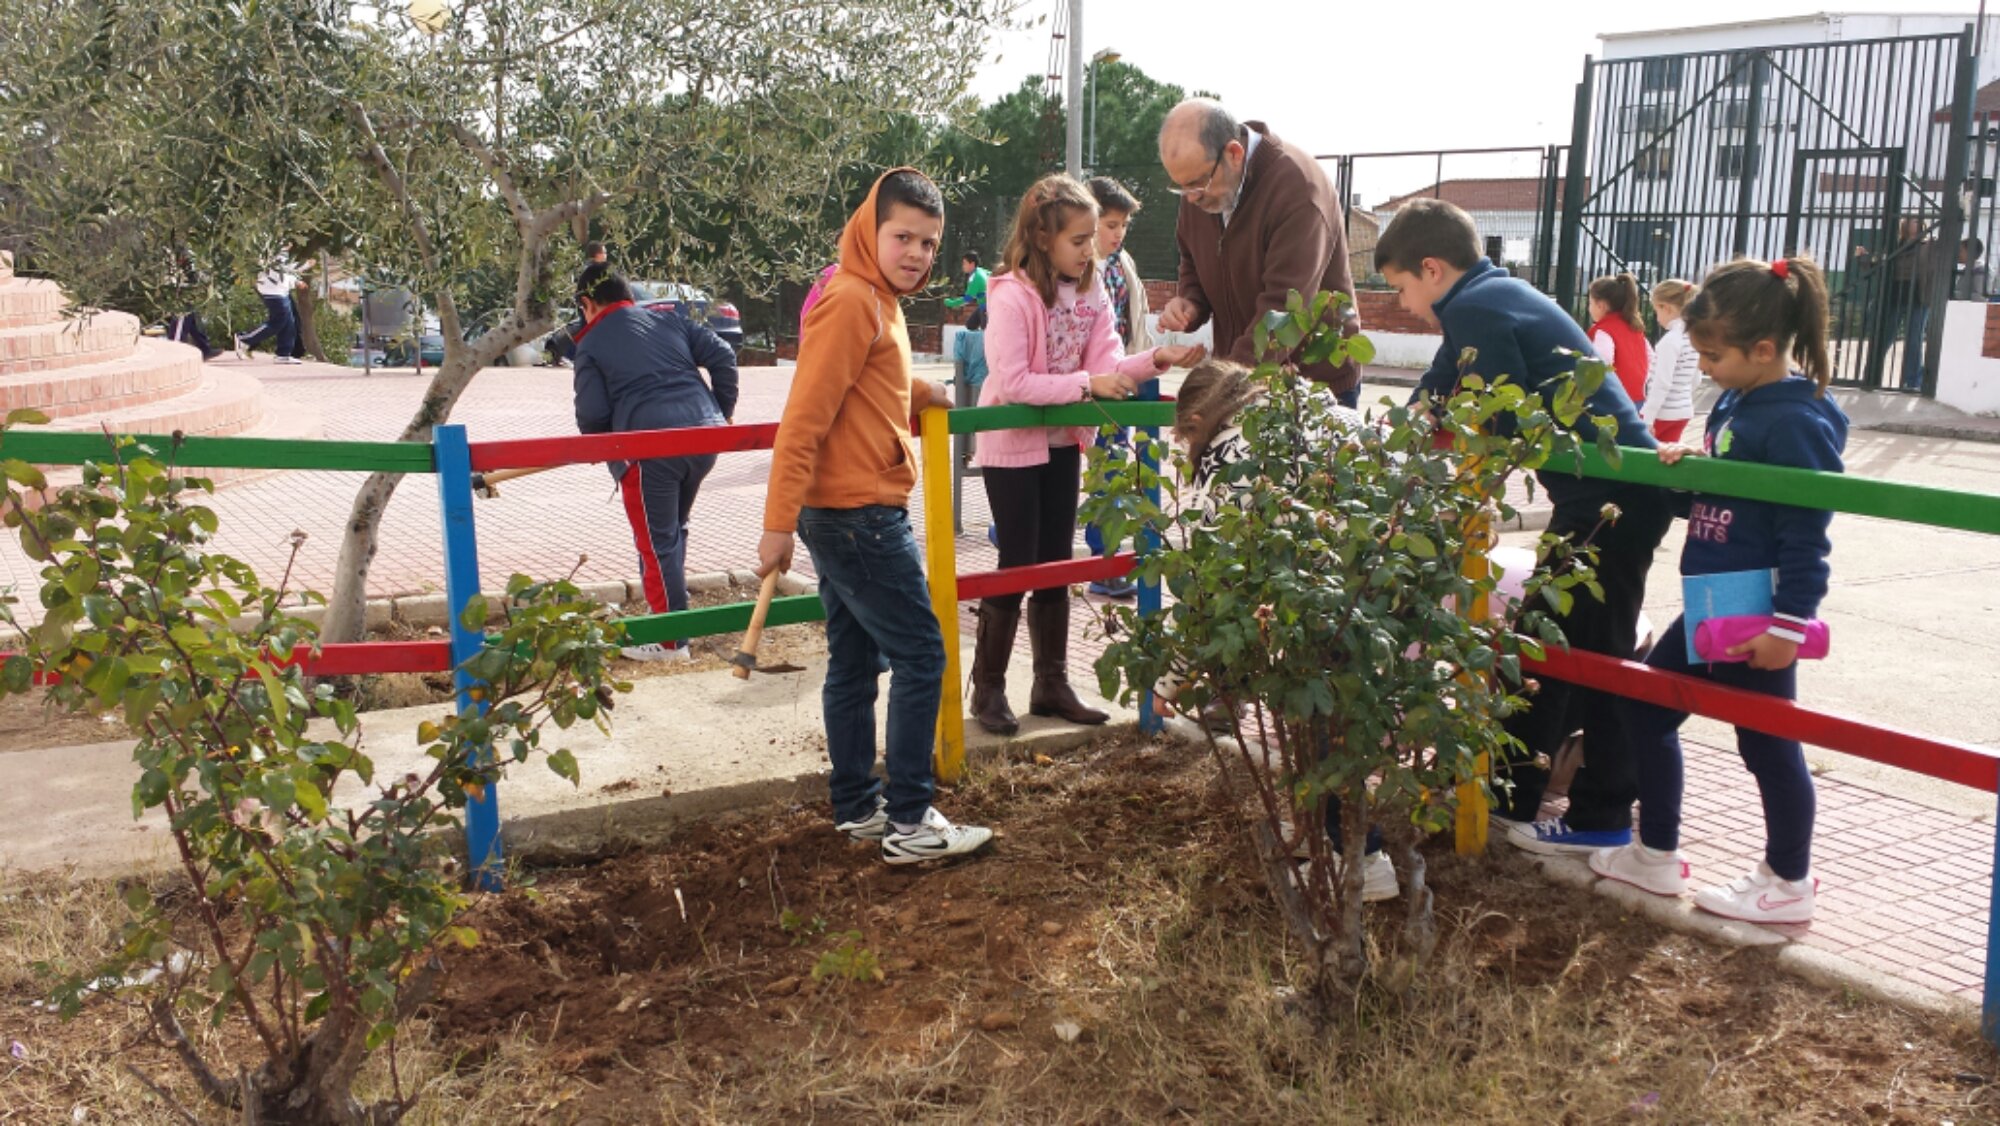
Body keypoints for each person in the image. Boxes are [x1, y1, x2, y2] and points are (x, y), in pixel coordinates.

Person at [1377, 199, 1673, 854]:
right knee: (1549, 647)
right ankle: (1510, 793)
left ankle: (1600, 813)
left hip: (1613, 499)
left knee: (1593, 658)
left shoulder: (1478, 306)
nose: (1401, 305)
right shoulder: (1485, 297)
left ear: (1431, 268)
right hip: (1599, 495)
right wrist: (1394, 436)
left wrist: (1430, 471)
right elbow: (1437, 388)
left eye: (1400, 288)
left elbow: (1489, 413)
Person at [1589, 255, 1848, 924]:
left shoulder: (1795, 420)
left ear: (1763, 349)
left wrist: (1788, 625)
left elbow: (1804, 532)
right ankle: (1656, 852)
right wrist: (1694, 471)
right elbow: (1732, 497)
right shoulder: (1743, 399)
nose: (1703, 367)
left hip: (1751, 606)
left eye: (1712, 354)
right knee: (1645, 704)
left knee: (1765, 740)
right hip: (1713, 599)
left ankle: (1788, 881)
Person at [757, 168, 992, 865]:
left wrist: (923, 393)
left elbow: (870, 381)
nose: (917, 253)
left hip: (851, 513)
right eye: (903, 237)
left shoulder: (879, 298)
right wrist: (775, 523)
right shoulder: (851, 300)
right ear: (870, 230)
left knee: (856, 662)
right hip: (857, 517)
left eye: (929, 242)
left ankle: (858, 805)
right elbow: (803, 417)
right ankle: (911, 820)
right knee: (922, 655)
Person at [970, 174, 1203, 737]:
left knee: (1055, 563)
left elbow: (1108, 362)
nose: (1089, 250)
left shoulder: (1094, 287)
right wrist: (1086, 386)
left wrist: (1156, 360)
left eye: (1091, 238)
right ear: (1043, 237)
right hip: (1011, 444)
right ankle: (988, 688)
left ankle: (1051, 683)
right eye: (1078, 240)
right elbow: (1016, 381)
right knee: (1018, 562)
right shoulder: (1010, 293)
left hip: (1060, 441)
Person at [1163, 359, 1398, 902]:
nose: (1186, 452)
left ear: (1199, 419)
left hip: (1325, 596)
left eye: (1186, 438)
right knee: (1326, 718)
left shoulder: (1229, 454)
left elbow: (1206, 582)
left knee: (1326, 728)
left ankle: (1363, 859)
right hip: (1373, 573)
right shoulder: (1304, 408)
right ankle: (1322, 834)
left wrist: (1168, 680)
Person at [571, 262, 738, 662]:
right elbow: (724, 355)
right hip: (704, 438)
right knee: (672, 531)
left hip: (650, 451)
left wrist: (599, 444)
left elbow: (592, 415)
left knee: (657, 542)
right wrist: (721, 412)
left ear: (586, 303)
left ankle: (669, 641)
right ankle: (666, 621)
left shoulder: (591, 342)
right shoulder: (669, 320)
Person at [1154, 99, 1363, 407]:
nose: (1192, 198)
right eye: (1181, 187)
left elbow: (1285, 310)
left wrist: (1222, 387)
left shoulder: (1297, 188)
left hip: (1311, 387)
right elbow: (1192, 260)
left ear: (1234, 154)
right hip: (1242, 378)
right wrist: (1191, 302)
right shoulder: (1201, 188)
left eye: (1198, 184)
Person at [1082, 175, 1152, 599]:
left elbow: (1132, 321)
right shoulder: (1074, 266)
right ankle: (1103, 563)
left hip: (1122, 385)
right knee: (1091, 473)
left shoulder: (1122, 263)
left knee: (1112, 474)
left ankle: (1105, 563)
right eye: (1110, 224)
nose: (1118, 234)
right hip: (1087, 389)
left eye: (1123, 225)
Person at [1642, 278, 1700, 443]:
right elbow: (1695, 379)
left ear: (1665, 308)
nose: (1657, 317)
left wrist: (1648, 418)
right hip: (1683, 410)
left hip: (1662, 413)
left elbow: (1661, 383)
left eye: (1656, 311)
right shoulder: (1693, 337)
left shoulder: (1670, 341)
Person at [1587, 273, 1651, 406]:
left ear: (1601, 305)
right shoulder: (1635, 327)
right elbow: (1651, 358)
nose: (1589, 308)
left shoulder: (1603, 331)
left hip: (1614, 400)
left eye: (1590, 303)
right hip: (1638, 397)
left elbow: (1601, 364)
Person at [235, 255, 302, 365]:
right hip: (274, 293)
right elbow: (280, 270)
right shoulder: (273, 249)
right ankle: (245, 339)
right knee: (277, 322)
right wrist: (305, 265)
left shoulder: (282, 252)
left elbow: (285, 272)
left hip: (281, 292)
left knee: (289, 323)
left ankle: (283, 354)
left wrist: (295, 281)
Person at [943, 252, 990, 331]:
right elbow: (992, 274)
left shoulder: (975, 278)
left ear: (972, 264)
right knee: (970, 325)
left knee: (985, 331)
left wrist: (952, 303)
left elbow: (968, 299)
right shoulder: (980, 271)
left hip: (987, 308)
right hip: (984, 305)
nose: (963, 266)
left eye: (964, 263)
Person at [1954, 237, 1989, 301]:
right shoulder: (1967, 270)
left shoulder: (1980, 271)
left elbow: (1980, 297)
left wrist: (1953, 294)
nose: (1957, 254)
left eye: (1960, 251)